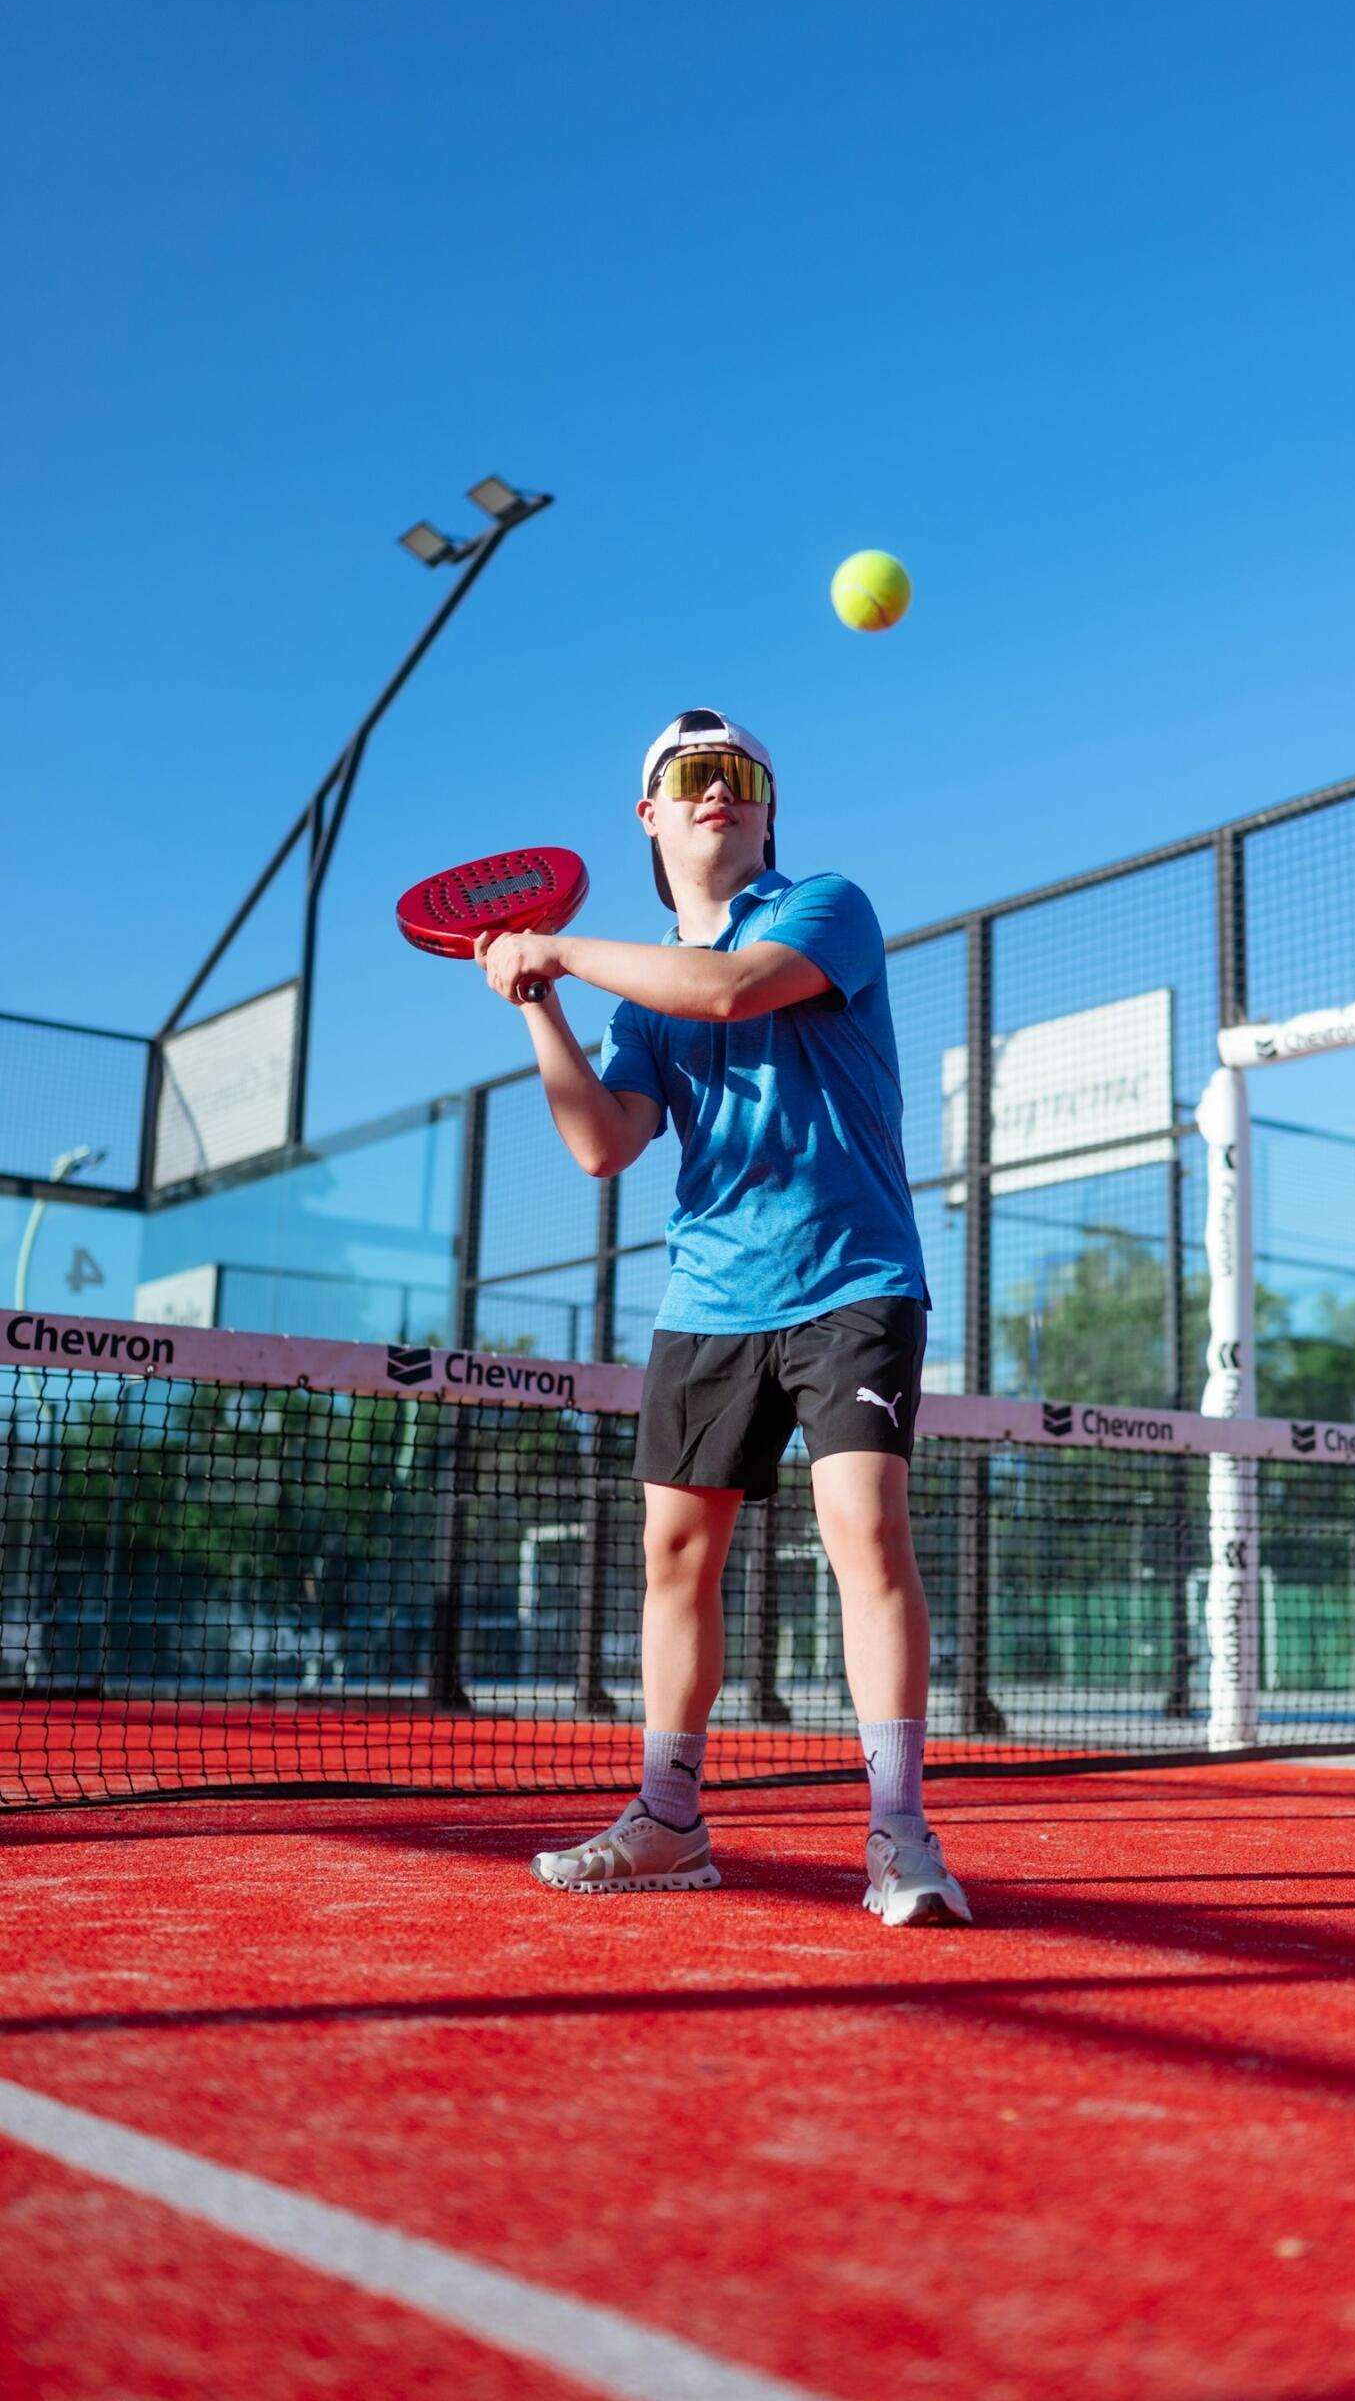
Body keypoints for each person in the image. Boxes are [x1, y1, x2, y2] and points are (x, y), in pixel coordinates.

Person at [474, 709, 971, 1928]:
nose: (720, 791)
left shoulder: (826, 907)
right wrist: (534, 999)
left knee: (864, 1528)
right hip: (709, 1297)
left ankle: (899, 1837)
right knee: (674, 1560)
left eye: (742, 775)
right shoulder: (632, 995)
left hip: (851, 1274)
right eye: (691, 776)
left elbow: (733, 990)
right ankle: (669, 1823)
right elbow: (604, 1144)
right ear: (650, 815)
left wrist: (557, 948)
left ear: (763, 809)